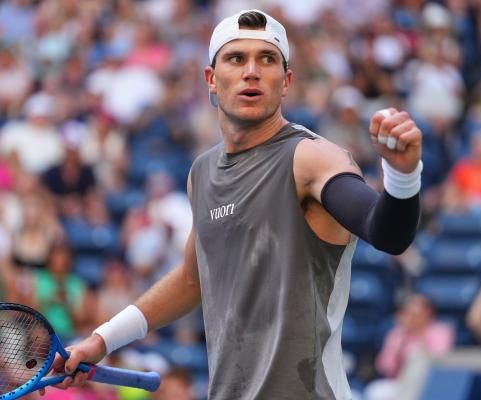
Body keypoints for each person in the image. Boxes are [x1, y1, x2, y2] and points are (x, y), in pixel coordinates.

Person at [47, 9, 422, 400]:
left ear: (286, 81)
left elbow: (388, 234)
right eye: (236, 58)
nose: (252, 72)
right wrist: (101, 340)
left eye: (267, 59)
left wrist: (402, 175)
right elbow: (192, 279)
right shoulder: (202, 173)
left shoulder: (311, 158)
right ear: (211, 79)